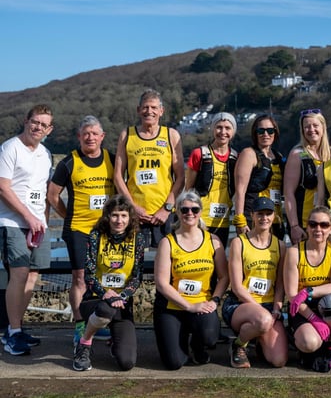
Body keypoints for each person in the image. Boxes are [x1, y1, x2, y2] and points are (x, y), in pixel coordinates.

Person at [48, 115, 116, 346]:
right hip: (78, 228)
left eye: (94, 133)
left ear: (102, 137)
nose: (90, 137)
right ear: (79, 137)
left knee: (104, 277)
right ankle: (79, 326)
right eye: (85, 133)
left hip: (107, 230)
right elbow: (52, 195)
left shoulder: (112, 160)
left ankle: (98, 323)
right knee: (80, 278)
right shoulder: (69, 162)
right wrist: (68, 216)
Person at [153, 190, 229, 370]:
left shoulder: (213, 241)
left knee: (210, 336)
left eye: (194, 210)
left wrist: (215, 300)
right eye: (184, 209)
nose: (190, 214)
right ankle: (180, 335)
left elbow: (224, 277)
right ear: (177, 212)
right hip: (172, 306)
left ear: (200, 212)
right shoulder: (167, 242)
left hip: (201, 304)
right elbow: (162, 283)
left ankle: (197, 344)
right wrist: (188, 306)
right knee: (174, 363)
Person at [0, 104, 54, 356]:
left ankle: (16, 329)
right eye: (35, 122)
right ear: (26, 120)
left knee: (32, 277)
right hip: (13, 223)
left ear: (49, 130)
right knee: (19, 275)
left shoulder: (46, 154)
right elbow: (3, 188)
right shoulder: (10, 148)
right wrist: (28, 217)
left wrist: (41, 221)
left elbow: (42, 193)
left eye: (44, 125)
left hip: (38, 225)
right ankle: (11, 332)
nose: (38, 127)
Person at [72, 195, 147, 371]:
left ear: (130, 218)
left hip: (122, 302)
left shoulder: (138, 238)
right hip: (96, 300)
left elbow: (137, 276)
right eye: (114, 215)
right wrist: (106, 293)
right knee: (106, 308)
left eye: (123, 216)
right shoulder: (96, 235)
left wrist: (123, 295)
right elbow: (89, 275)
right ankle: (84, 344)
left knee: (126, 362)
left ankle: (115, 341)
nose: (119, 220)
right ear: (107, 216)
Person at [113, 89, 185, 247]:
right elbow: (118, 176)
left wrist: (166, 209)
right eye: (145, 107)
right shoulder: (127, 135)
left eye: (153, 107)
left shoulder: (171, 135)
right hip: (135, 214)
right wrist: (132, 207)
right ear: (138, 110)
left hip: (165, 214)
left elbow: (180, 177)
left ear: (161, 111)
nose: (149, 111)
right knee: (134, 266)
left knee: (167, 265)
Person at [223, 197, 287, 369]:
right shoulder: (239, 243)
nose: (264, 218)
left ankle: (258, 340)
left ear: (274, 216)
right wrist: (261, 311)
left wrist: (276, 309)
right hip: (241, 304)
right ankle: (238, 344)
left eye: (268, 214)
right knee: (263, 320)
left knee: (278, 360)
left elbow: (280, 285)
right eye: (260, 214)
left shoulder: (280, 246)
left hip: (268, 306)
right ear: (252, 215)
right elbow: (236, 286)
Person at [284, 206, 331, 372]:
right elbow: (291, 295)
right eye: (313, 224)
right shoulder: (294, 252)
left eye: (324, 225)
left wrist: (308, 291)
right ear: (307, 227)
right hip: (302, 309)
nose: (318, 229)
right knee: (309, 343)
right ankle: (301, 342)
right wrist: (313, 318)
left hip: (325, 306)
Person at [185, 112, 238, 246]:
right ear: (213, 129)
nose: (223, 132)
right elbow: (188, 189)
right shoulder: (199, 154)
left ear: (233, 131)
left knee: (218, 259)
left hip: (222, 220)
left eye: (227, 128)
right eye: (219, 127)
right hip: (200, 219)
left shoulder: (236, 158)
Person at [284, 109, 331, 245]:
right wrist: (294, 226)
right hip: (305, 223)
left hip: (327, 224)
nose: (311, 130)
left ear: (323, 127)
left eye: (315, 125)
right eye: (307, 126)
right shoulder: (298, 154)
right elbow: (288, 194)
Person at [233, 114, 286, 239]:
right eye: (261, 131)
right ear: (255, 134)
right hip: (254, 218)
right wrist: (240, 219)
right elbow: (240, 190)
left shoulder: (278, 157)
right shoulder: (249, 154)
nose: (265, 134)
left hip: (275, 219)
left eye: (270, 130)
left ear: (275, 133)